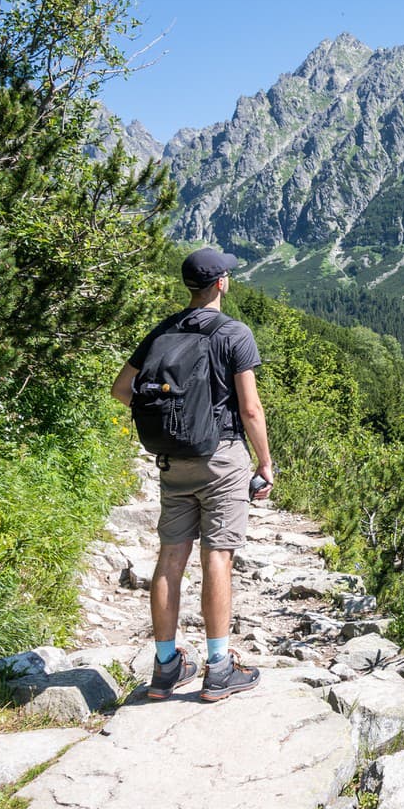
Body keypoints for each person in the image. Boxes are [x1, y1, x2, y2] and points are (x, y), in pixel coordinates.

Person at [111, 248, 274, 701]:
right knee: (217, 556)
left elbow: (121, 389)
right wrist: (264, 463)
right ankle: (219, 668)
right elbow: (250, 409)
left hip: (173, 461)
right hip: (221, 458)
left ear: (189, 286)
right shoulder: (234, 334)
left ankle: (165, 667)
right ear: (221, 283)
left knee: (170, 558)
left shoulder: (163, 330)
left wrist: (167, 424)